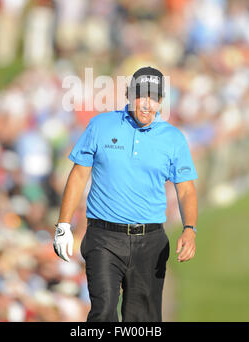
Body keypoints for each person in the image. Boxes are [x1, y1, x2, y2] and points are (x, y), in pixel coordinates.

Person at [53, 66, 198, 322]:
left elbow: (185, 189)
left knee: (142, 319)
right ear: (129, 94)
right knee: (104, 310)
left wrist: (189, 228)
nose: (146, 105)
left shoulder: (173, 139)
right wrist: (63, 225)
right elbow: (78, 175)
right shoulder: (101, 125)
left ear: (161, 101)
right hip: (104, 238)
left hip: (150, 241)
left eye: (154, 98)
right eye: (142, 96)